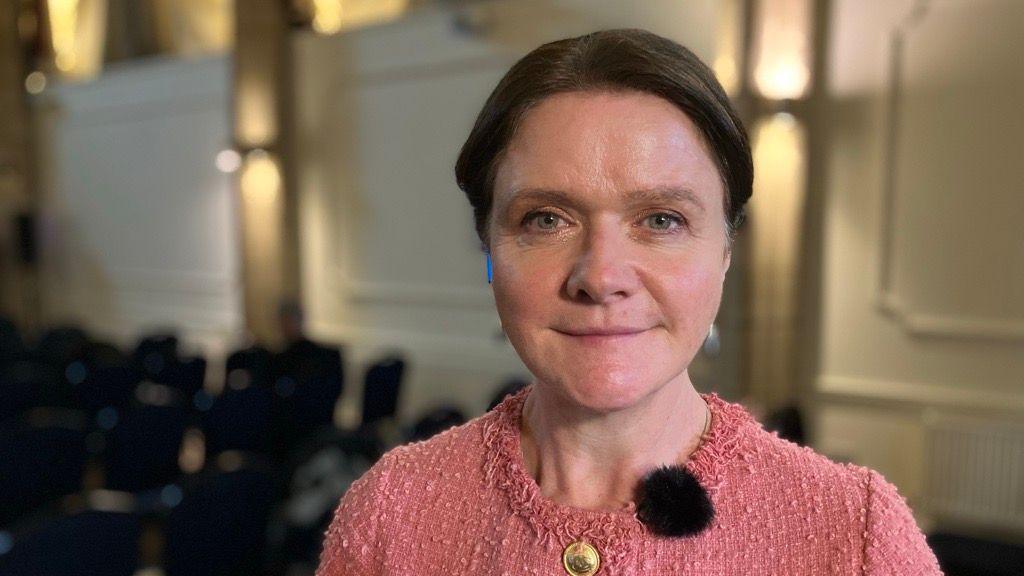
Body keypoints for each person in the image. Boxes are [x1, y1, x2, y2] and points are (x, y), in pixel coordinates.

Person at [316, 29, 942, 575]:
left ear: (726, 251)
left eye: (663, 219)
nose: (602, 275)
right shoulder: (390, 511)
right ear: (489, 249)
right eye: (546, 219)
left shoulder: (853, 534)